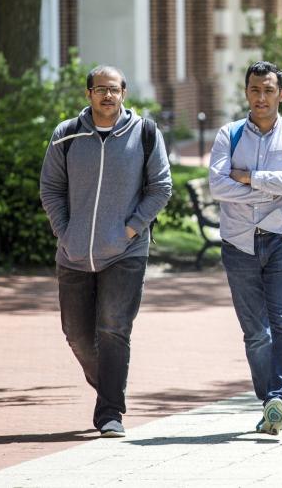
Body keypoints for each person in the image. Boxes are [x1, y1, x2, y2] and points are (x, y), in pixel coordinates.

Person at [40, 65, 172, 438]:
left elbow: (161, 187)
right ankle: (112, 389)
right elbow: (50, 188)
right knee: (77, 334)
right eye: (100, 89)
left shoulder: (144, 133)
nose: (107, 96)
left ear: (124, 93)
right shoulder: (66, 135)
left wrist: (131, 229)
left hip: (126, 251)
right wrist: (66, 234)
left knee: (114, 328)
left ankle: (110, 412)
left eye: (114, 89)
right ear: (88, 94)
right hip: (74, 252)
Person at [209, 61, 282, 436]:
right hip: (239, 243)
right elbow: (217, 186)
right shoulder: (229, 134)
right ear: (246, 92)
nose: (261, 97)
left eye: (269, 90)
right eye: (255, 90)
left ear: (281, 94)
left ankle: (279, 399)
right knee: (256, 332)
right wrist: (275, 186)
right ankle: (267, 398)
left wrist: (250, 178)